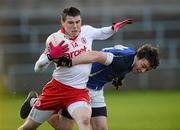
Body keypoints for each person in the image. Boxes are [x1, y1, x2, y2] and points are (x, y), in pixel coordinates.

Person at [18, 6, 132, 130]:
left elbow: (102, 32)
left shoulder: (86, 31)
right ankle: (35, 102)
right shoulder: (55, 39)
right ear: (62, 22)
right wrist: (50, 56)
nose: (75, 26)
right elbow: (38, 68)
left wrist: (113, 27)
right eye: (71, 22)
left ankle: (36, 103)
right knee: (29, 127)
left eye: (78, 22)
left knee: (84, 120)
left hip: (78, 91)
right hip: (56, 89)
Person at [20, 44, 160, 130]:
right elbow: (95, 55)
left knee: (101, 128)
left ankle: (40, 104)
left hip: (97, 90)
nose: (142, 70)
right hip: (81, 86)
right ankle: (36, 103)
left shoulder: (131, 58)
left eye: (146, 70)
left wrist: (118, 77)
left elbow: (118, 46)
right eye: (143, 66)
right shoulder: (123, 60)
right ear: (139, 56)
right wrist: (69, 62)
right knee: (63, 127)